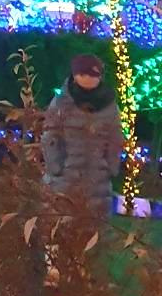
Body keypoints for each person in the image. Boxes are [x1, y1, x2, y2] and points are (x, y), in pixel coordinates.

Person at [40, 53, 124, 216]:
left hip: (98, 183)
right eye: (83, 73)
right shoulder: (62, 102)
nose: (88, 78)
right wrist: (55, 167)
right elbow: (51, 134)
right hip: (64, 180)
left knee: (93, 225)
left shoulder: (109, 105)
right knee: (62, 223)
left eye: (93, 74)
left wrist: (110, 168)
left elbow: (115, 138)